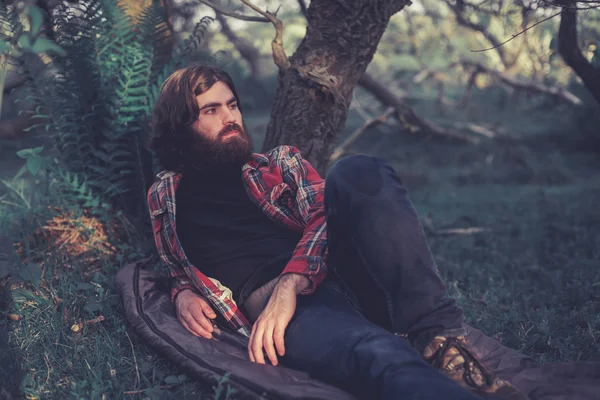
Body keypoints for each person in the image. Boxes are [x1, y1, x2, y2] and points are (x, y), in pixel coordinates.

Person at [147, 64, 526, 400]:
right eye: (211, 110)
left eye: (232, 105)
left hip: (345, 274)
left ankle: (441, 342)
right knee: (377, 354)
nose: (230, 117)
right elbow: (173, 262)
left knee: (356, 170)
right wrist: (182, 291)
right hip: (302, 318)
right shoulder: (166, 196)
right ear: (183, 126)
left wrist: (290, 282)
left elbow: (321, 214)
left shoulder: (279, 163)